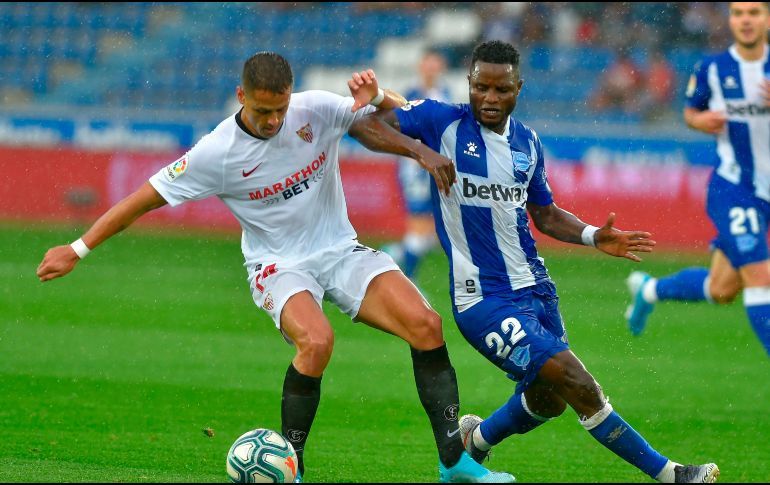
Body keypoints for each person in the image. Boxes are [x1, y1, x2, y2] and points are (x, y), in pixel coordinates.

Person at [35, 52, 514, 483]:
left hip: (339, 249)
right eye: (263, 111)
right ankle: (293, 467)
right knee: (317, 341)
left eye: (280, 110)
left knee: (426, 325)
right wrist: (77, 249)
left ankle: (454, 463)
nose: (273, 121)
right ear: (242, 96)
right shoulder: (216, 153)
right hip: (277, 265)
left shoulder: (311, 108)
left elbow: (376, 117)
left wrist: (409, 137)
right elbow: (141, 200)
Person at [348, 40, 720, 483]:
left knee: (549, 398)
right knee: (578, 383)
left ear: (518, 89)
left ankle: (474, 443)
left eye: (501, 89)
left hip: (535, 289)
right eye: (481, 87)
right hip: (483, 301)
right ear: (469, 84)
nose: (489, 98)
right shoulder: (439, 121)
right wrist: (419, 151)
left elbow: (543, 213)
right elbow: (363, 127)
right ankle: (672, 475)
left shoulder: (528, 142)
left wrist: (592, 236)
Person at [625, 1, 770, 360]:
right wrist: (698, 121)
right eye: (739, 13)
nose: (746, 20)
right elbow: (691, 111)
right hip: (735, 188)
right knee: (760, 277)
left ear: (766, 18)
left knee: (722, 289)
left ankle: (649, 290)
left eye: (754, 12)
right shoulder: (713, 68)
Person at [384, 50, 451, 282]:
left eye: (436, 66)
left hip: (435, 165)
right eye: (428, 66)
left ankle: (393, 255)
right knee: (419, 226)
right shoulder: (410, 95)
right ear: (421, 67)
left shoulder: (444, 94)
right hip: (416, 168)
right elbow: (401, 128)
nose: (432, 70)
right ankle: (408, 279)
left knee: (431, 232)